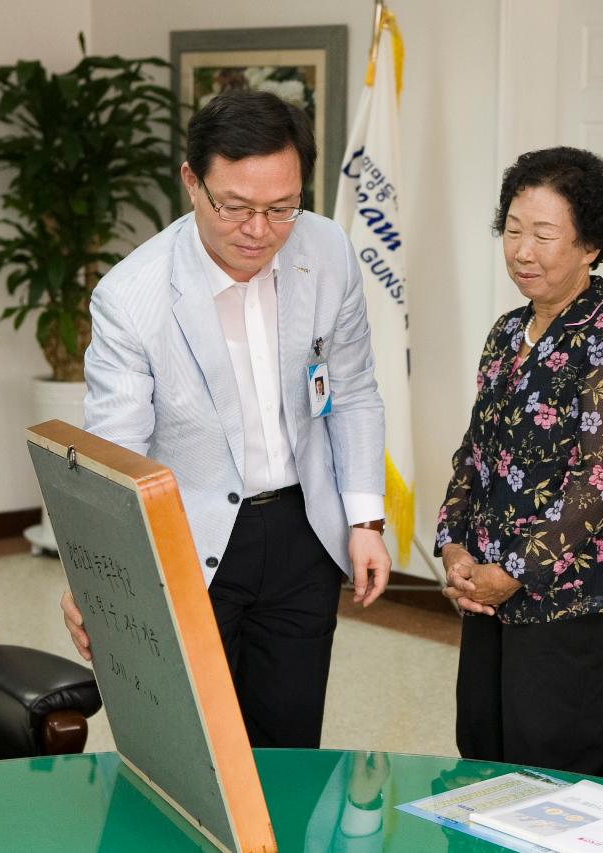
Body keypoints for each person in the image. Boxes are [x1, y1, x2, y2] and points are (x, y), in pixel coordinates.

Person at [60, 89, 391, 749]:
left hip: (302, 529)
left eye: (281, 208)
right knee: (190, 747)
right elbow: (113, 454)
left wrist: (365, 518)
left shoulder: (326, 252)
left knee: (289, 741)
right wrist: (95, 575)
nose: (259, 230)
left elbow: (351, 388)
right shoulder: (133, 297)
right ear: (191, 182)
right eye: (235, 206)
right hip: (184, 537)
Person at [437, 147, 603, 776]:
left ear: (590, 246)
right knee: (480, 761)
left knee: (550, 782)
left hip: (566, 608)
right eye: (512, 230)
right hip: (486, 598)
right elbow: (473, 453)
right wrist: (455, 550)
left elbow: (601, 484)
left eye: (543, 234)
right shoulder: (507, 333)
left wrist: (512, 569)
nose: (522, 251)